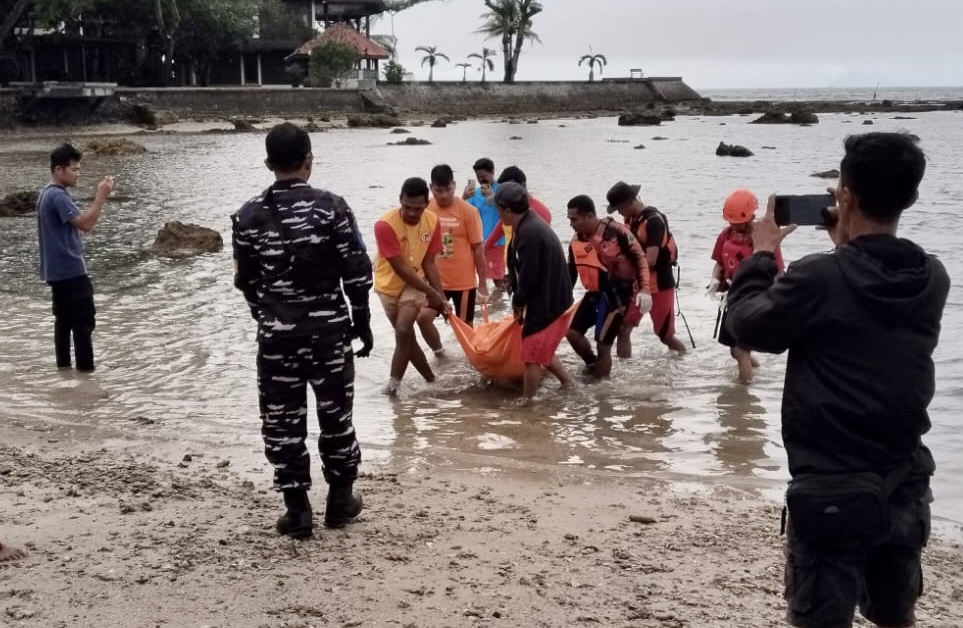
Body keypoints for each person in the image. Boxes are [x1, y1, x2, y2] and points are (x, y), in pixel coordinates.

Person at [725, 132, 949, 628]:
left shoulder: (818, 279)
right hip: (905, 481)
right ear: (910, 197)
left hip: (831, 488)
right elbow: (865, 288)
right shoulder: (931, 277)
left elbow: (748, 325)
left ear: (844, 195)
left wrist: (761, 256)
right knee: (896, 617)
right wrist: (848, 239)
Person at [232, 122, 372, 539]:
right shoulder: (333, 207)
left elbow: (246, 283)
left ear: (269, 163)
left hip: (278, 336)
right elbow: (358, 272)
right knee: (336, 416)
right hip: (329, 334)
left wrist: (269, 316)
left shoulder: (247, 216)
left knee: (282, 420)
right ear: (309, 161)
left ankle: (297, 511)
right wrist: (361, 321)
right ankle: (341, 500)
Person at [36, 143, 114, 372]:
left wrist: (75, 229)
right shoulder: (58, 196)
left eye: (79, 169)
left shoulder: (45, 194)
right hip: (71, 271)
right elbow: (86, 224)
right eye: (74, 170)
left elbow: (71, 226)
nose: (78, 174)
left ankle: (65, 373)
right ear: (59, 170)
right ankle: (86, 375)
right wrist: (101, 196)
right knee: (83, 323)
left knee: (64, 323)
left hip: (55, 271)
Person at [495, 182, 575, 400]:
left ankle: (528, 403)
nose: (498, 214)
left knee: (531, 354)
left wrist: (518, 302)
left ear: (508, 211)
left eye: (498, 210)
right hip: (555, 296)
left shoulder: (529, 233)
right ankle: (569, 385)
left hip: (548, 300)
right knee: (542, 347)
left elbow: (529, 276)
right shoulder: (529, 223)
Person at [374, 177, 451, 396]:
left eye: (417, 209)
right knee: (407, 338)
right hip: (388, 285)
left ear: (427, 203)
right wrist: (433, 293)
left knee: (403, 328)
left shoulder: (433, 221)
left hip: (415, 283)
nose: (411, 213)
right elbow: (400, 269)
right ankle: (431, 380)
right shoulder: (384, 225)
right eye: (407, 207)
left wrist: (441, 298)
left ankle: (392, 386)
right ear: (400, 200)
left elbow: (429, 263)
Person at [565, 195, 652, 378]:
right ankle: (593, 365)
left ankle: (601, 389)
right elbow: (571, 272)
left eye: (574, 219)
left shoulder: (616, 232)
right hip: (594, 294)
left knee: (603, 344)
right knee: (572, 333)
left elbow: (640, 258)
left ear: (589, 216)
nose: (571, 224)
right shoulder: (576, 240)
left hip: (617, 296)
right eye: (569, 219)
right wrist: (561, 300)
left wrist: (645, 289)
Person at [709, 188, 784, 384]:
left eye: (740, 223)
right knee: (734, 350)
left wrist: (776, 300)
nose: (735, 226)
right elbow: (719, 263)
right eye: (732, 222)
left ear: (751, 216)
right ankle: (758, 373)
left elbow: (778, 272)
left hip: (755, 298)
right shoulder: (725, 236)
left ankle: (743, 394)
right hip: (732, 297)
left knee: (741, 349)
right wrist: (714, 281)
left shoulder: (763, 239)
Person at [606, 181, 686, 355]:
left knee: (665, 336)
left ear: (630, 202)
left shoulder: (654, 222)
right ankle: (624, 376)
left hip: (660, 285)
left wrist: (625, 269)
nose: (619, 212)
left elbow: (650, 261)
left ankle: (684, 362)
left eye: (619, 208)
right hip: (638, 284)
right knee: (623, 329)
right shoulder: (630, 220)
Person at [416, 165, 489, 356]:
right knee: (423, 319)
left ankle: (473, 365)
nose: (443, 195)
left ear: (454, 186)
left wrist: (482, 284)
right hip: (434, 282)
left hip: (463, 284)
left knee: (466, 331)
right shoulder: (425, 209)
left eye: (448, 189)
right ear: (431, 188)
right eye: (438, 190)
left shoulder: (468, 211)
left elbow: (479, 250)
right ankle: (440, 354)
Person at [484, 165, 552, 262]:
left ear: (523, 186)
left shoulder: (541, 213)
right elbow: (497, 232)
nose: (506, 193)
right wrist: (482, 250)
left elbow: (540, 251)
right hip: (515, 262)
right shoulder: (510, 210)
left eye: (510, 189)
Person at [462, 158, 506, 291]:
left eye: (484, 177)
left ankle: (508, 304)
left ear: (492, 172)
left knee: (498, 279)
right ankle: (491, 306)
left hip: (498, 242)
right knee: (480, 276)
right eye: (478, 177)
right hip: (480, 241)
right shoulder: (475, 193)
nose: (481, 180)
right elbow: (462, 211)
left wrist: (493, 197)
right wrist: (464, 197)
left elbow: (509, 210)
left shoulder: (502, 190)